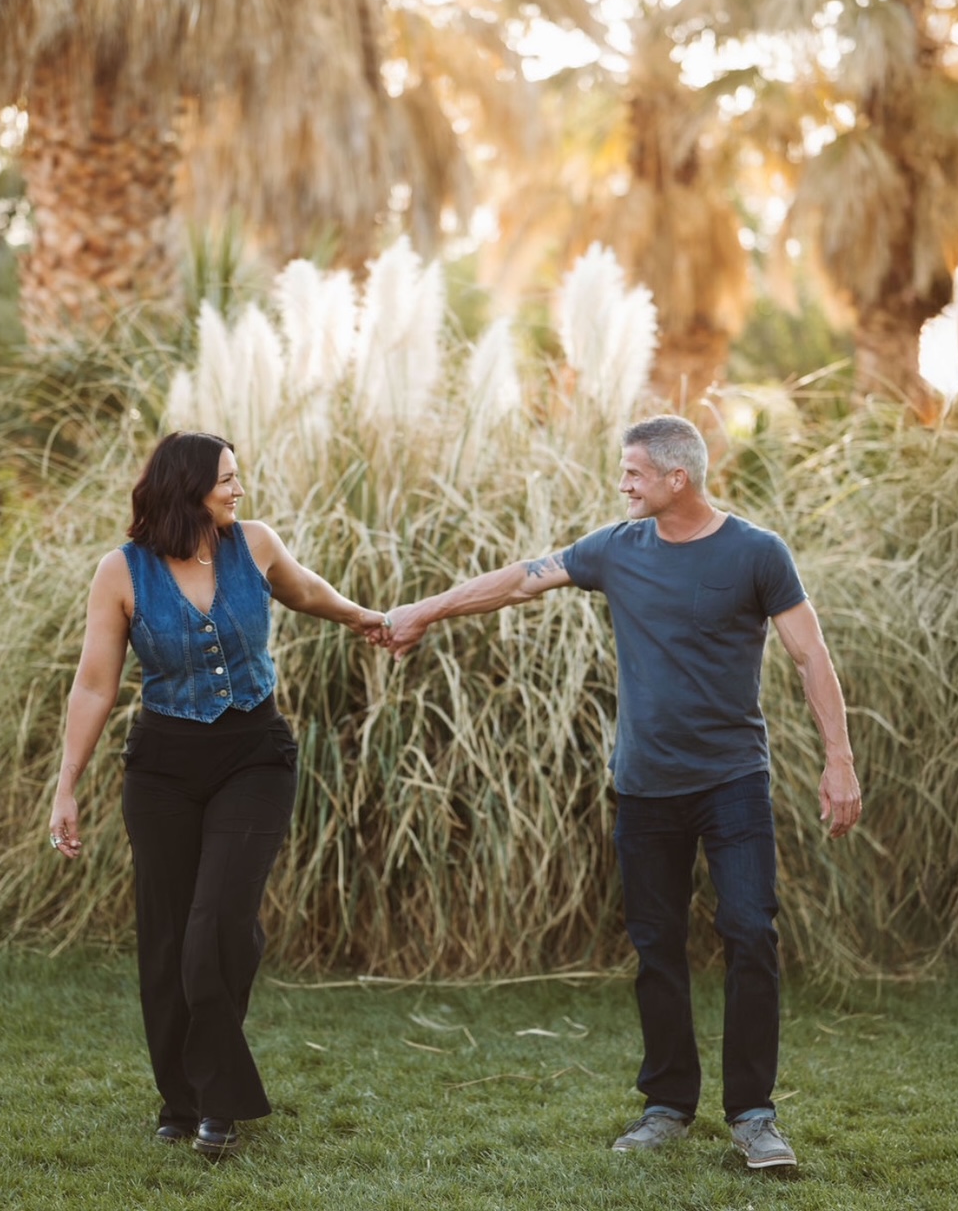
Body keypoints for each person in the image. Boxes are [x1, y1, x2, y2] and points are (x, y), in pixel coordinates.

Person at [375, 414, 862, 1170]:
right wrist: (422, 611)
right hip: (645, 787)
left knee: (750, 934)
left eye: (634, 473)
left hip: (734, 780)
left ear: (679, 478)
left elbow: (810, 654)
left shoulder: (757, 554)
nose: (622, 484)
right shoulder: (614, 549)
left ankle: (754, 1116)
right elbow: (519, 581)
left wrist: (840, 760)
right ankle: (667, 1104)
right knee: (657, 946)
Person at [48, 431, 385, 1157]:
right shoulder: (122, 570)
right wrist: (65, 786)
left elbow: (306, 592)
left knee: (217, 927)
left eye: (238, 476)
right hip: (163, 767)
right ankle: (181, 1096)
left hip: (253, 756)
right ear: (185, 487)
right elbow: (95, 684)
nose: (239, 489)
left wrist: (362, 616)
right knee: (169, 937)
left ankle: (220, 1108)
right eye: (226, 479)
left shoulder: (254, 544)